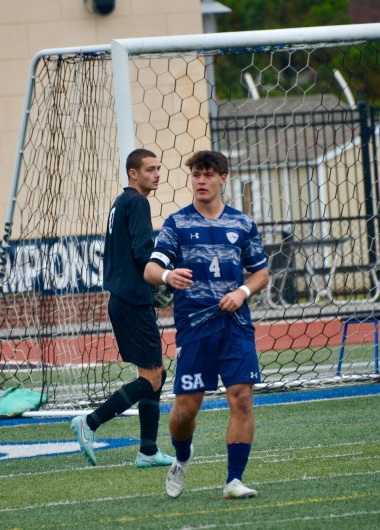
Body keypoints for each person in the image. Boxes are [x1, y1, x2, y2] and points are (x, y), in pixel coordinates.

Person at [144, 150, 269, 500]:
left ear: (222, 179)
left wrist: (243, 291)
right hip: (195, 327)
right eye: (196, 174)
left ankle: (234, 480)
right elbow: (151, 269)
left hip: (235, 324)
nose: (201, 180)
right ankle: (182, 456)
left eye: (208, 174)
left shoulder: (242, 224)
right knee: (186, 409)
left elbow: (261, 272)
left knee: (242, 397)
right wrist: (169, 274)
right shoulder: (177, 223)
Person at [70, 148, 174, 469]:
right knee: (153, 377)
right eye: (149, 169)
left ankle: (147, 451)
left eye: (158, 168)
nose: (156, 174)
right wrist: (164, 277)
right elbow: (143, 250)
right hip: (132, 301)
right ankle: (90, 423)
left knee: (155, 374)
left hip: (125, 298)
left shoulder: (121, 202)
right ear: (133, 173)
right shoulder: (138, 202)